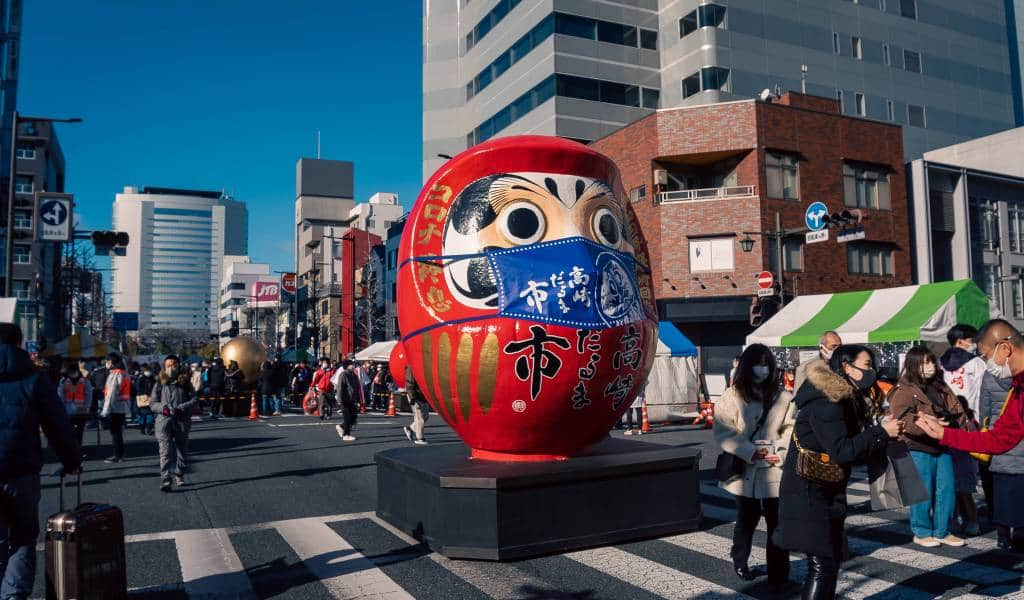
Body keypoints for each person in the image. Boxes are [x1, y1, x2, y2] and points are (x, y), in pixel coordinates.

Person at [775, 345, 902, 600]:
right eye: (867, 365)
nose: (872, 371)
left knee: (829, 561)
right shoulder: (828, 400)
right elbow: (843, 450)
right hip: (810, 490)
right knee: (822, 564)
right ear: (847, 366)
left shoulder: (844, 398)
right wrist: (880, 433)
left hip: (824, 486)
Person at [916, 319, 1024, 551]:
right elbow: (1000, 438)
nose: (986, 364)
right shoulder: (1017, 387)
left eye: (985, 357)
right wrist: (945, 435)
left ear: (1004, 348)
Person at [0, 322, 81, 599]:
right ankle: (13, 595)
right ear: (20, 343)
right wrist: (71, 460)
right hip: (22, 472)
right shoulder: (34, 379)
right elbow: (56, 424)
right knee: (22, 538)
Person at [713, 343, 794, 588]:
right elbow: (723, 430)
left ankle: (779, 572)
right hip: (744, 467)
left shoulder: (784, 397)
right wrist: (750, 451)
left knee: (777, 521)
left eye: (767, 363)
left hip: (773, 468)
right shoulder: (733, 396)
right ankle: (740, 559)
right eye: (759, 364)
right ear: (748, 366)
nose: (764, 369)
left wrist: (779, 451)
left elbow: (791, 429)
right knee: (746, 518)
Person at [888, 347, 967, 548]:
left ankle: (943, 530)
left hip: (943, 443)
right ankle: (921, 531)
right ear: (914, 365)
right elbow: (901, 419)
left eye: (932, 361)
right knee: (923, 491)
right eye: (925, 362)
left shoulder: (940, 386)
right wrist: (928, 425)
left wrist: (958, 425)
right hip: (917, 445)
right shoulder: (903, 390)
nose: (930, 366)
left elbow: (957, 410)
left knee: (947, 489)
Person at [940, 324, 986, 536]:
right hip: (972, 421)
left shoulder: (941, 363)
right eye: (971, 339)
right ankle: (973, 520)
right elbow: (983, 392)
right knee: (966, 476)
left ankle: (955, 520)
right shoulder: (976, 363)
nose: (974, 343)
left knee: (950, 476)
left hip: (948, 423)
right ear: (961, 340)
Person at [150, 355, 197, 492]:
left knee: (182, 450)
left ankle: (179, 473)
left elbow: (194, 399)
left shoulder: (185, 382)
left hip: (181, 420)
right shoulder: (159, 382)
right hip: (163, 422)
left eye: (173, 364)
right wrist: (163, 408)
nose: (171, 367)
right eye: (168, 365)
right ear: (164, 367)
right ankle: (166, 478)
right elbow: (152, 403)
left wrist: (182, 407)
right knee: (164, 451)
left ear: (179, 366)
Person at [100, 353, 131, 463]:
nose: (106, 363)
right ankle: (120, 455)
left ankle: (117, 455)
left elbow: (111, 393)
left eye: (107, 361)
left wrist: (105, 411)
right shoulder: (124, 373)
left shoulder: (115, 373)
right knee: (118, 432)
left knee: (115, 433)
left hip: (114, 407)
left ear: (111, 362)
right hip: (122, 406)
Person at [59, 362, 93, 451]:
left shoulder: (85, 381)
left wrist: (86, 407)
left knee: (79, 431)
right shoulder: (63, 380)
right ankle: (72, 449)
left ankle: (77, 449)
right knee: (69, 431)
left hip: (80, 409)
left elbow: (88, 395)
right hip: (67, 409)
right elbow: (60, 395)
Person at [403, 365, 430, 445]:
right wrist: (412, 397)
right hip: (415, 395)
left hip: (422, 395)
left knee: (426, 415)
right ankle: (420, 438)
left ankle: (410, 428)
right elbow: (409, 383)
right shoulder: (411, 367)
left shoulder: (424, 366)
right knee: (419, 417)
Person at [335, 361, 360, 441]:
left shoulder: (354, 375)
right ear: (347, 366)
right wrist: (340, 400)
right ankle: (346, 435)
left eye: (353, 365)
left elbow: (357, 388)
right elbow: (340, 388)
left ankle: (341, 426)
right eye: (351, 365)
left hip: (352, 400)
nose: (353, 366)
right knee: (347, 417)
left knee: (353, 417)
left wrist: (358, 399)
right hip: (344, 399)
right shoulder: (343, 375)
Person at [134, 364, 156, 435]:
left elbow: (155, 387)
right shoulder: (140, 378)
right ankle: (142, 428)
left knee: (150, 415)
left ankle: (149, 428)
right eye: (147, 371)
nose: (148, 372)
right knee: (142, 415)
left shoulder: (153, 378)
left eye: (149, 371)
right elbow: (137, 388)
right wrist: (146, 392)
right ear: (144, 371)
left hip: (151, 398)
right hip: (142, 399)